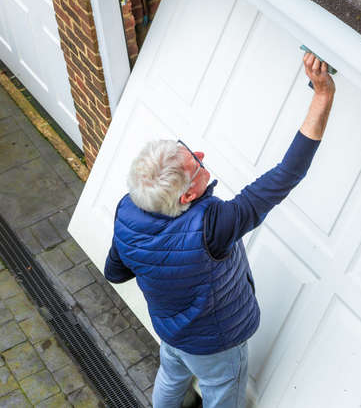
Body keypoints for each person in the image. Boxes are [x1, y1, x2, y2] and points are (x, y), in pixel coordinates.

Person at [104, 52, 335, 408]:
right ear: (189, 194)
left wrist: (162, 274)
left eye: (186, 150)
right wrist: (322, 95)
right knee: (221, 396)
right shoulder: (211, 228)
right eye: (194, 162)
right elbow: (286, 174)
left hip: (170, 332)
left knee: (171, 376)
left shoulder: (127, 211)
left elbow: (115, 273)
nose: (200, 154)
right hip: (216, 346)